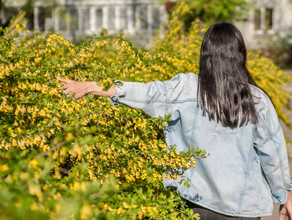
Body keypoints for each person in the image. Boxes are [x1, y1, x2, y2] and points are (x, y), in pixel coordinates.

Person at [59, 22, 292, 220]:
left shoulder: (187, 88)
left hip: (196, 204)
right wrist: (285, 195)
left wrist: (91, 87)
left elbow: (145, 92)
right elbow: (273, 155)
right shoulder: (257, 99)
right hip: (244, 207)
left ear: (205, 54)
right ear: (240, 54)